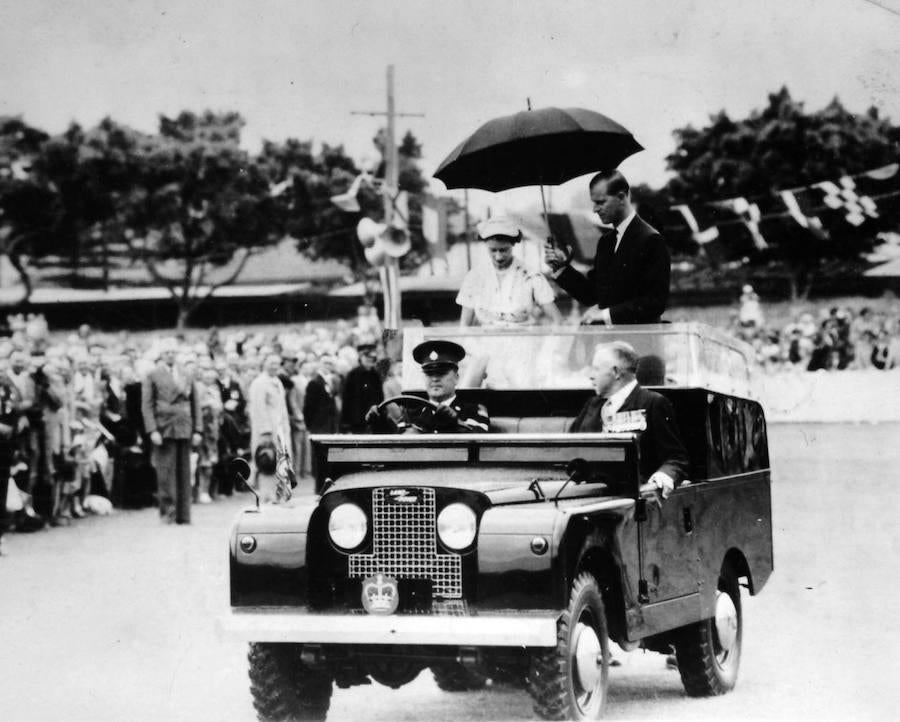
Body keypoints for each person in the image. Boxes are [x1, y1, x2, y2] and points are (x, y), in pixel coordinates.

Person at [545, 169, 671, 325]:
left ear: (621, 198)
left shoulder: (651, 239)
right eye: (594, 202)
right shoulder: (605, 242)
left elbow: (655, 302)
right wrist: (561, 268)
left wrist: (606, 316)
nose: (594, 209)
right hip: (608, 341)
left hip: (641, 343)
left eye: (600, 202)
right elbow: (592, 294)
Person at [570, 341, 688, 498]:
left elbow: (676, 458)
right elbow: (570, 453)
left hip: (633, 501)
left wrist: (661, 478)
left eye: (596, 369)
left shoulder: (652, 403)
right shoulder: (592, 405)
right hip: (587, 497)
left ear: (616, 372)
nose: (591, 375)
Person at [457, 217, 561, 327]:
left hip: (523, 341)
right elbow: (464, 325)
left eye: (503, 250)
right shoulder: (474, 277)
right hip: (484, 342)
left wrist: (549, 343)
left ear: (513, 245)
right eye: (493, 250)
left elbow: (557, 320)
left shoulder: (532, 275)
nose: (498, 257)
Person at [141, 338, 202, 524]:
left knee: (184, 473)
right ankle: (168, 513)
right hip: (164, 427)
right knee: (166, 474)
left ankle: (184, 515)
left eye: (173, 352)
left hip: (184, 426)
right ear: (161, 355)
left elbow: (195, 404)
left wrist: (198, 429)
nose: (170, 356)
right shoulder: (153, 375)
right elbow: (147, 405)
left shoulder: (186, 374)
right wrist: (152, 430)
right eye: (167, 352)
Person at [390, 340, 489, 434]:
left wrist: (456, 425)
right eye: (429, 374)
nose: (434, 379)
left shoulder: (473, 410)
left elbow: (481, 440)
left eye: (441, 373)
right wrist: (381, 427)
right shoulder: (412, 414)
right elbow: (398, 444)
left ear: (456, 378)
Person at [340, 343, 384, 432]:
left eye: (372, 359)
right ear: (361, 358)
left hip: (374, 419)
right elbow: (346, 399)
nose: (370, 360)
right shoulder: (353, 375)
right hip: (357, 421)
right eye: (367, 358)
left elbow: (380, 397)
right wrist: (345, 423)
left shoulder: (375, 375)